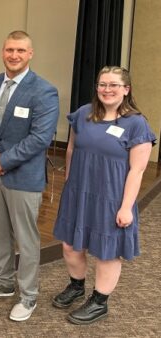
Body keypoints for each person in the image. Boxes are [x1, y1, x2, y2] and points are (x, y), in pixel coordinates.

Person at [52, 66, 155, 325]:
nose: (106, 90)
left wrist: (126, 207)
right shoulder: (84, 113)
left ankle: (100, 302)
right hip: (79, 191)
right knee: (69, 245)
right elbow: (72, 150)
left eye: (113, 85)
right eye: (102, 84)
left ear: (126, 89)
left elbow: (138, 170)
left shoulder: (136, 123)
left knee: (106, 251)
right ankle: (76, 286)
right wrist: (68, 186)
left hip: (112, 197)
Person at [0, 30, 59, 321]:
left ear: (30, 53)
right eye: (10, 50)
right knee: (0, 233)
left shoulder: (44, 90)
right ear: (2, 52)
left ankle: (29, 296)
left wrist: (3, 160)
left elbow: (41, 138)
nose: (14, 55)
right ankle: (3, 283)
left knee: (26, 238)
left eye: (20, 50)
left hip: (23, 177)